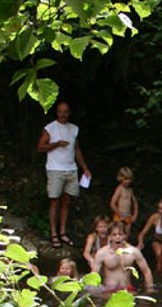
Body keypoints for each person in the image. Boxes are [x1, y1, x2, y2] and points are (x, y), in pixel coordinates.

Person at [37, 101, 91, 248]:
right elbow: (40, 147)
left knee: (66, 201)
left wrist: (84, 168)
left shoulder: (73, 129)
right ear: (57, 112)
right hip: (55, 169)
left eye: (66, 112)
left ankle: (62, 232)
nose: (63, 115)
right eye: (61, 112)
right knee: (55, 201)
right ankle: (54, 233)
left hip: (71, 169)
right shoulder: (50, 128)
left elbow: (77, 150)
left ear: (69, 113)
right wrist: (56, 144)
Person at [91, 222, 154, 293]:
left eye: (120, 234)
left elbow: (146, 271)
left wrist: (149, 288)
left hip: (127, 289)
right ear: (109, 236)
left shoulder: (133, 251)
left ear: (124, 236)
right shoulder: (102, 253)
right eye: (114, 235)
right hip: (109, 289)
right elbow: (94, 275)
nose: (117, 237)